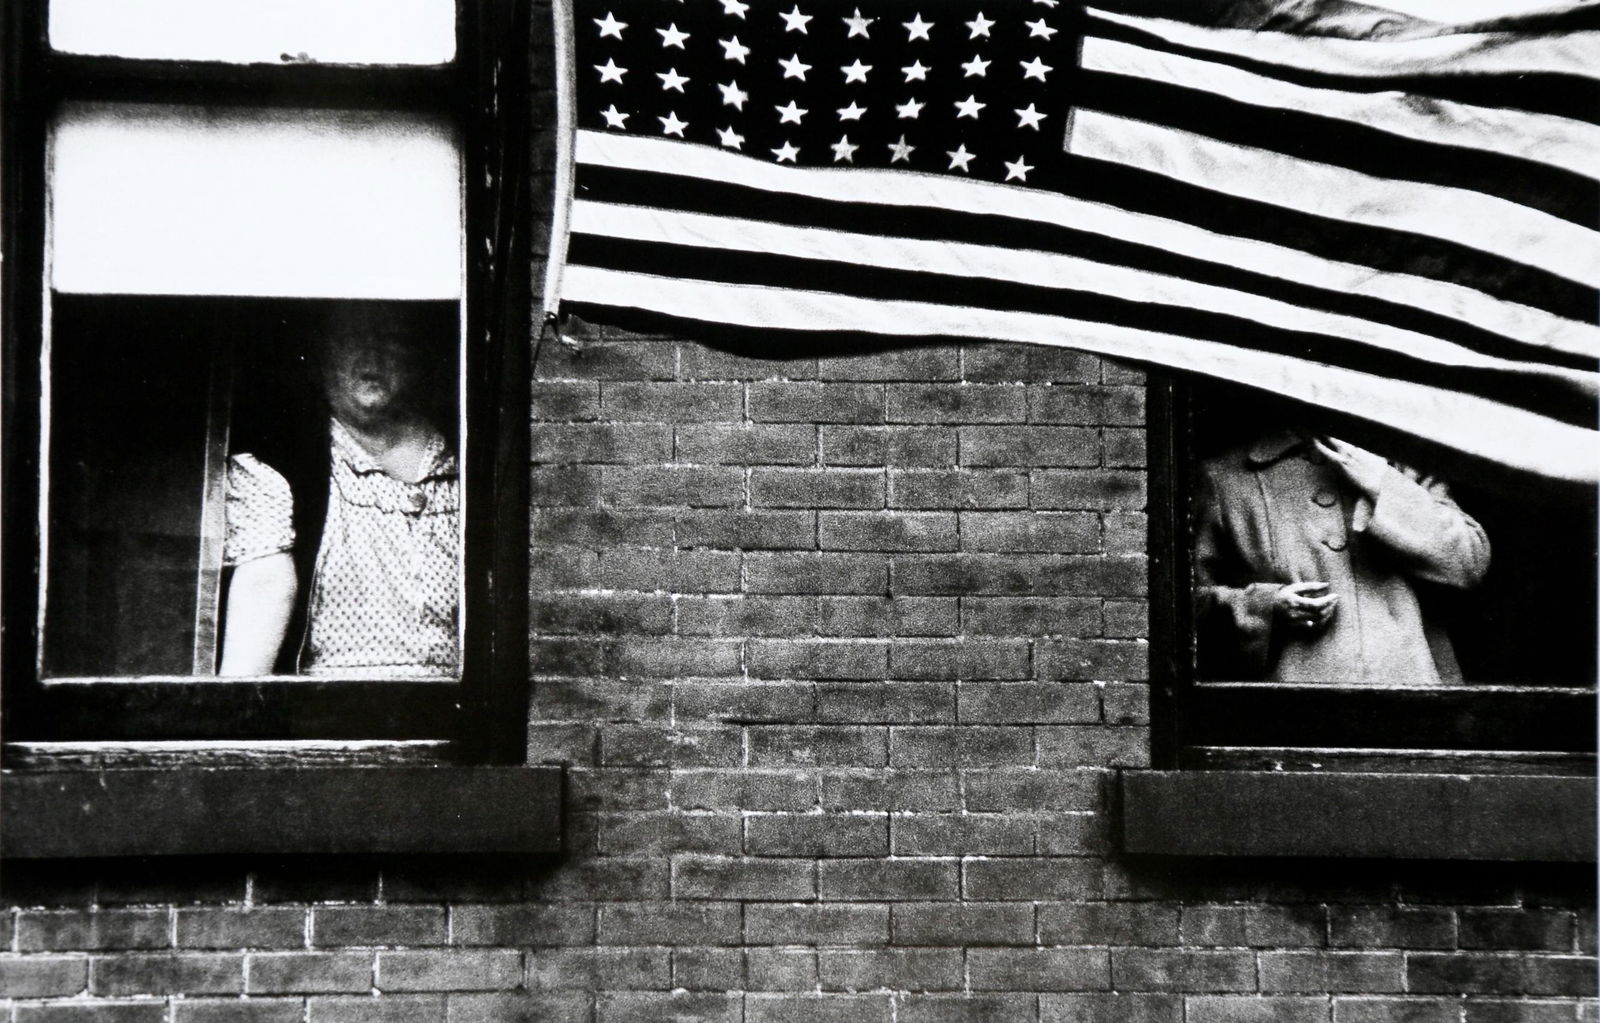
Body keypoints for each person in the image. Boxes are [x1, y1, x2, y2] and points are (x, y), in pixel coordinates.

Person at [218, 306, 459, 677]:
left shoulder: (464, 467)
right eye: (351, 338)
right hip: (332, 715)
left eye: (391, 339)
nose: (372, 354)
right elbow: (263, 586)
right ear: (320, 354)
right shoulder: (284, 466)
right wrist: (232, 721)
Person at [1194, 427, 1490, 686]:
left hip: (1411, 707)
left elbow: (1470, 561)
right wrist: (1265, 607)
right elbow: (1182, 609)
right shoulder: (1225, 477)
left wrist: (1383, 483)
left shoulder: (1405, 462)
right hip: (1290, 717)